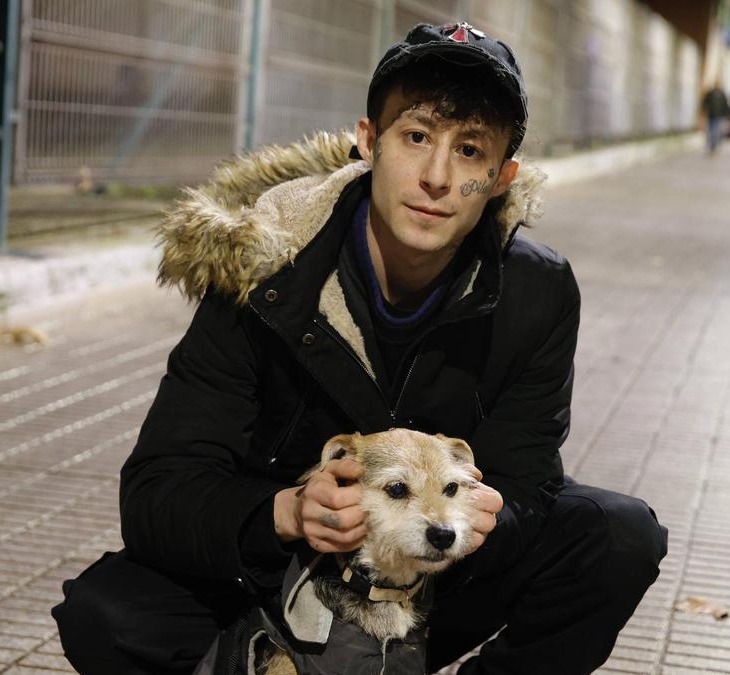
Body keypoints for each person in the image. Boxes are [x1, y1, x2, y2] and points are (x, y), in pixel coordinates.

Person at [52, 21, 668, 675]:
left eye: (469, 150)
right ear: (369, 141)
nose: (436, 176)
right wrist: (285, 511)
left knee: (616, 534)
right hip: (276, 582)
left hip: (435, 574)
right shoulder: (265, 266)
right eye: (417, 136)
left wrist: (485, 513)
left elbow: (527, 482)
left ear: (500, 176)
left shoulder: (536, 290)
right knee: (110, 616)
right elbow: (159, 489)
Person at [700, 84, 730, 155]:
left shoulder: (722, 94)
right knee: (710, 131)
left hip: (719, 116)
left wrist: (727, 114)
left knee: (716, 131)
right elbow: (705, 102)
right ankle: (711, 145)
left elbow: (725, 105)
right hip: (711, 115)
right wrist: (704, 110)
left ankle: (714, 146)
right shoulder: (710, 93)